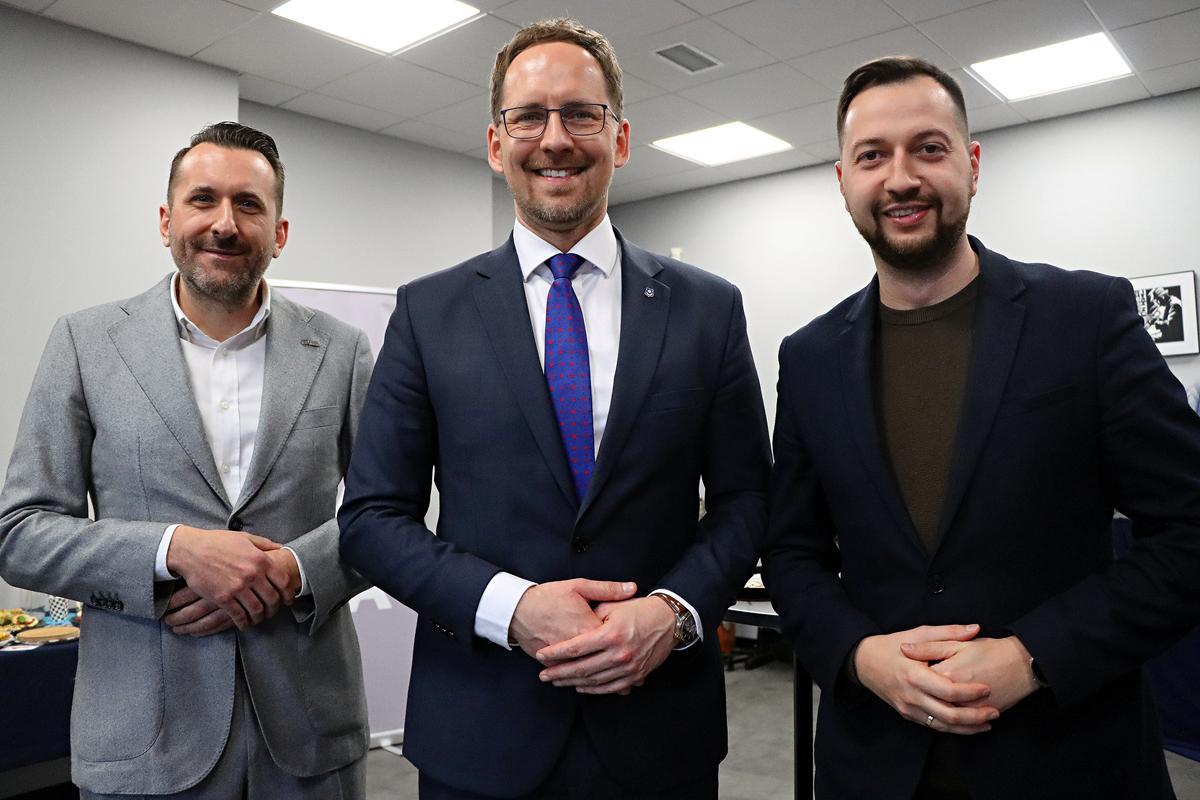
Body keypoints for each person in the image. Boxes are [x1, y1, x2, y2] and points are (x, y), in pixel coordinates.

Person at [338, 18, 771, 800]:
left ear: (620, 137)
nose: (556, 139)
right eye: (529, 117)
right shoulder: (429, 313)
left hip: (657, 724)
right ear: (496, 143)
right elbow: (371, 518)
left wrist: (671, 613)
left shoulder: (707, 309)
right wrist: (511, 607)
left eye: (581, 114)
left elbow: (747, 500)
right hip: (481, 727)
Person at [762, 57, 1200, 799]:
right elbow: (792, 552)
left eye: (928, 149)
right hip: (875, 766)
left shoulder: (1085, 319)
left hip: (1068, 759)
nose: (901, 177)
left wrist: (1035, 656)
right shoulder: (808, 358)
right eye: (872, 156)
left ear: (970, 165)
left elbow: (1189, 529)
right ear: (842, 181)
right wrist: (862, 655)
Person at [0, 122, 373, 799]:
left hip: (310, 736)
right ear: (167, 221)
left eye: (248, 204)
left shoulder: (343, 352)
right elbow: (21, 532)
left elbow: (390, 516)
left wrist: (292, 571)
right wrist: (175, 550)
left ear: (279, 233)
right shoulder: (85, 343)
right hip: (143, 742)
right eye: (203, 200)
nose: (224, 224)